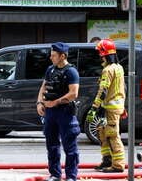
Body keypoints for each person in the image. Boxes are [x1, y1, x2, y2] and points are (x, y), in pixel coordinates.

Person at [36, 42, 80, 181]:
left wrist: (55, 102)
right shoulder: (51, 69)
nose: (51, 57)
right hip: (50, 113)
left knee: (70, 146)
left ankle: (71, 176)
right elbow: (43, 87)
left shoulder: (71, 72)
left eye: (54, 55)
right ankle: (55, 174)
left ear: (62, 56)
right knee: (52, 144)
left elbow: (73, 93)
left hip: (65, 112)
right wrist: (39, 103)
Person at [86, 38, 126, 173]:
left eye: (100, 53)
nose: (99, 55)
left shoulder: (108, 70)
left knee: (112, 135)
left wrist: (93, 108)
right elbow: (121, 89)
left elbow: (103, 91)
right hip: (113, 107)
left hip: (111, 108)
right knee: (101, 131)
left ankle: (118, 165)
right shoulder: (119, 68)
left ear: (104, 54)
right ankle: (107, 160)